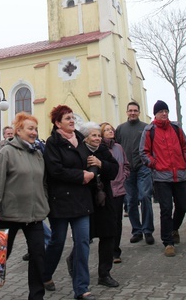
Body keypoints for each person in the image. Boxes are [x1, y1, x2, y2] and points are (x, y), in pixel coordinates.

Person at [0, 112, 49, 300]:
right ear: (19, 130)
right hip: (10, 213)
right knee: (2, 254)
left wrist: (44, 202)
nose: (34, 132)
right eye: (30, 129)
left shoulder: (37, 153)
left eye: (36, 129)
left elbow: (43, 182)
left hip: (34, 214)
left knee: (38, 256)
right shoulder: (7, 152)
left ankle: (36, 296)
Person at [43, 105, 96, 300]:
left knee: (83, 242)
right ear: (58, 123)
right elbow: (55, 170)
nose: (72, 121)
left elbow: (92, 161)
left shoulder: (81, 140)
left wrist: (93, 173)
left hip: (81, 200)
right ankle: (45, 274)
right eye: (67, 118)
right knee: (57, 242)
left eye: (73, 118)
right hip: (61, 201)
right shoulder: (52, 143)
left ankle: (81, 288)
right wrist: (81, 176)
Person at [66, 122, 119, 288]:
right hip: (85, 199)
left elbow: (114, 170)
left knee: (108, 234)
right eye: (93, 135)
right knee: (85, 236)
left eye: (98, 135)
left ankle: (104, 274)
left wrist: (101, 164)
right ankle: (73, 261)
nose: (97, 138)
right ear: (85, 137)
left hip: (104, 198)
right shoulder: (79, 150)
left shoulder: (103, 150)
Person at [140, 100, 186, 257]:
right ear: (155, 114)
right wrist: (154, 164)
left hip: (180, 174)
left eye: (166, 111)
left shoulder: (176, 127)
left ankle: (174, 228)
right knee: (166, 209)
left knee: (183, 205)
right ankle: (168, 242)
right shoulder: (149, 131)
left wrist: (185, 159)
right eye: (161, 111)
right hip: (162, 177)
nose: (164, 113)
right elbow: (144, 152)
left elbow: (185, 145)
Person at [115, 101, 155, 245]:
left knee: (145, 197)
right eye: (130, 110)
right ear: (127, 112)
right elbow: (116, 147)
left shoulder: (146, 128)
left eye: (135, 110)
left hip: (143, 167)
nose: (132, 113)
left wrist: (149, 162)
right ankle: (136, 230)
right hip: (127, 170)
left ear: (139, 112)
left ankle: (148, 230)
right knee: (131, 201)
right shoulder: (120, 129)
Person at [100, 122, 130, 263]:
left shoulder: (118, 147)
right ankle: (108, 249)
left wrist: (124, 175)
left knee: (118, 221)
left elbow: (126, 164)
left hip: (119, 189)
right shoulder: (100, 149)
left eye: (111, 129)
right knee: (109, 221)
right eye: (106, 130)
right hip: (107, 189)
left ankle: (115, 251)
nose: (110, 131)